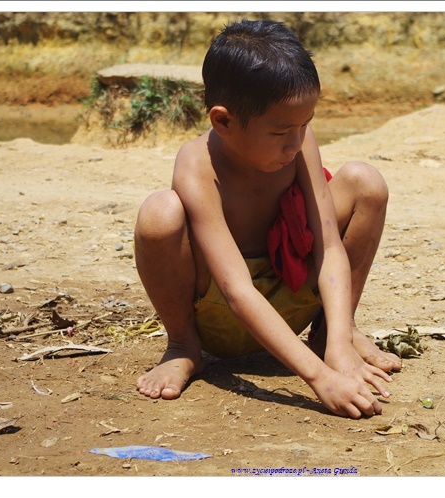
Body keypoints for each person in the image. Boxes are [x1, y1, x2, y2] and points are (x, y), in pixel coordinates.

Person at [134, 19, 401, 418]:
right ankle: (183, 347)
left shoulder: (297, 141)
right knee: (159, 212)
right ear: (223, 121)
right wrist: (320, 377)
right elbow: (237, 289)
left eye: (305, 125)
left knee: (366, 182)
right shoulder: (197, 165)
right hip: (223, 315)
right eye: (280, 133)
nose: (295, 144)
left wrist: (338, 348)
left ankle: (334, 332)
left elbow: (329, 247)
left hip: (294, 296)